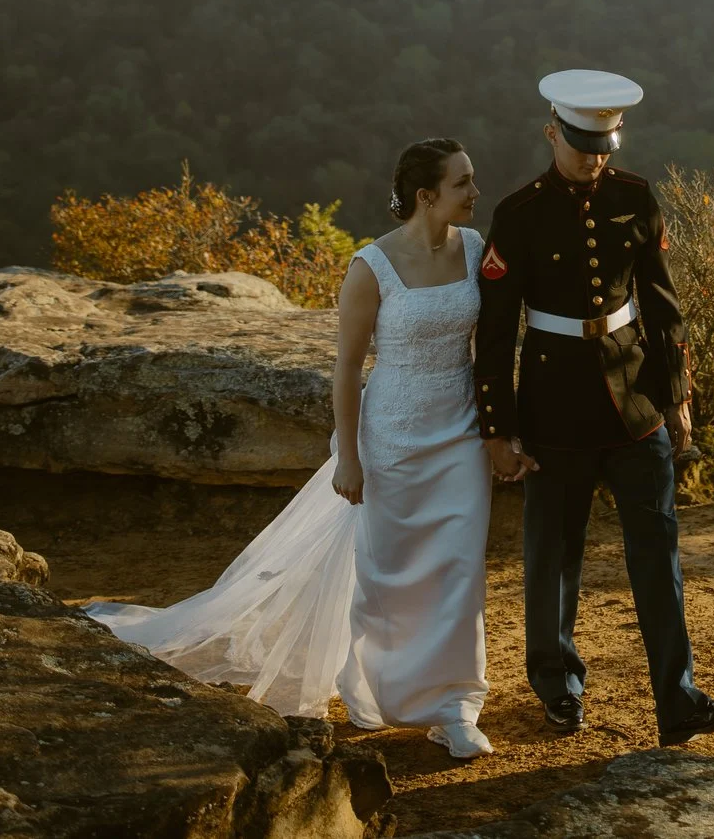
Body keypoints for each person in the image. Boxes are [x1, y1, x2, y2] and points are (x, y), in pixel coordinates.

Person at [86, 139, 499, 759]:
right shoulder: (372, 267)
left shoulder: (473, 249)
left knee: (460, 570)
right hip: (392, 436)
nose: (474, 192)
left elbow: (490, 343)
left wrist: (499, 428)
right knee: (389, 573)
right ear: (427, 195)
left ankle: (455, 706)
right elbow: (347, 367)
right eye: (463, 182)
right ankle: (384, 687)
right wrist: (350, 456)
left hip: (461, 431)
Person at [474, 69, 714, 748]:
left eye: (603, 147)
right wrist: (498, 429)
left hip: (635, 403)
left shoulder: (636, 197)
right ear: (551, 133)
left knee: (657, 551)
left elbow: (663, 306)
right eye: (580, 146)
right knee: (554, 556)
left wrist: (677, 396)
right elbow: (496, 332)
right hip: (554, 408)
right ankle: (558, 687)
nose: (593, 159)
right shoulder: (518, 214)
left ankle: (679, 700)